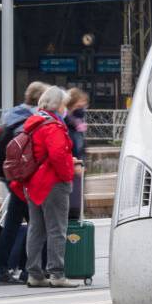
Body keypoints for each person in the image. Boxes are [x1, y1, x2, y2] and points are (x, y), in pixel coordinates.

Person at [0, 81, 48, 285]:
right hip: (26, 180)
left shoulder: (11, 115)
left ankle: (4, 269)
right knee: (35, 226)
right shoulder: (31, 121)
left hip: (13, 178)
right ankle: (22, 269)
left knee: (15, 225)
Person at [21, 86, 79, 288]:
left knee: (36, 229)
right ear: (57, 104)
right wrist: (68, 175)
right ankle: (56, 274)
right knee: (57, 229)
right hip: (52, 183)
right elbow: (56, 155)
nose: (65, 108)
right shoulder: (53, 126)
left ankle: (34, 274)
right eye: (64, 104)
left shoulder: (34, 123)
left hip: (33, 182)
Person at [64, 88, 90, 220]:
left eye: (84, 106)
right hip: (70, 175)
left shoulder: (77, 125)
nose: (83, 109)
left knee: (76, 210)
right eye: (79, 106)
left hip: (78, 174)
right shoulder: (65, 125)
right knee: (71, 213)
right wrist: (74, 163)